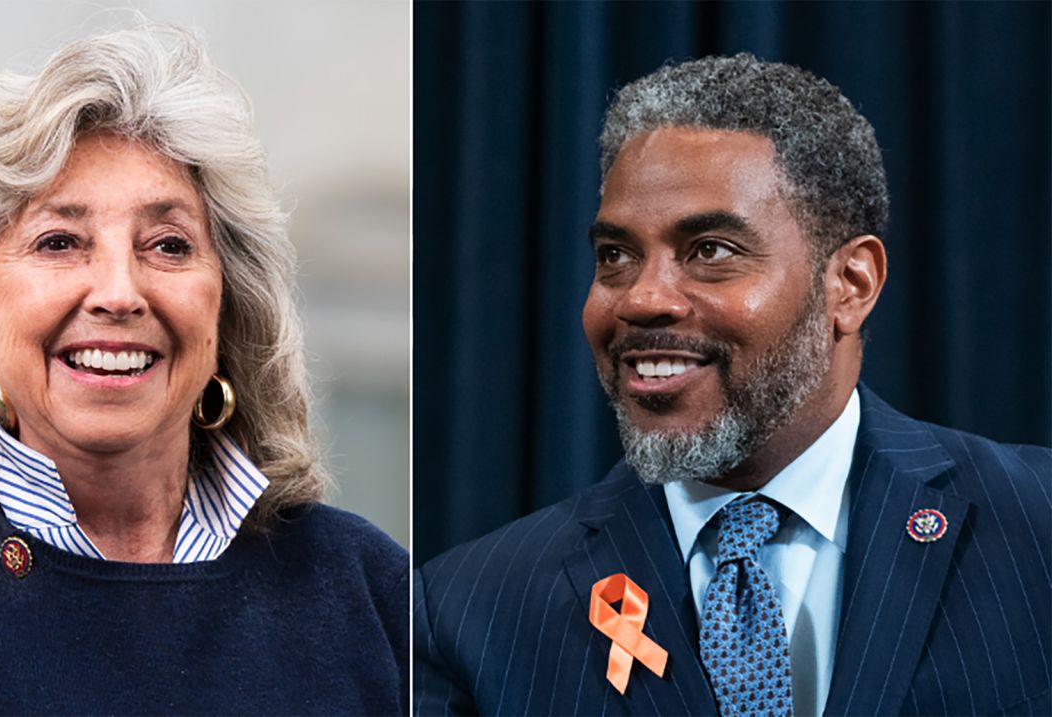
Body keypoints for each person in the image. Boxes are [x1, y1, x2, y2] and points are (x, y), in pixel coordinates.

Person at [0, 25, 407, 715]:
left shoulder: (367, 589)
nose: (118, 292)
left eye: (167, 244)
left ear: (226, 314)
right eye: (60, 241)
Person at [414, 54, 1050, 716]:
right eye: (616, 256)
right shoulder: (465, 613)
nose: (642, 298)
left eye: (710, 250)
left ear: (850, 285)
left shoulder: (1037, 528)